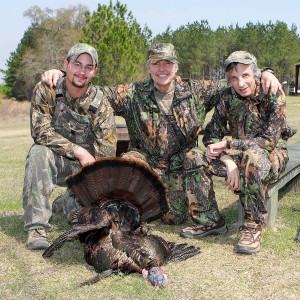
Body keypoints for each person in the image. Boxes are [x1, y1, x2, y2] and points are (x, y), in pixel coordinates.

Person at [41, 43, 281, 229]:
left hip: (178, 169)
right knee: (129, 167)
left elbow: (237, 78)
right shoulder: (132, 93)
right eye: (156, 63)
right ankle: (96, 209)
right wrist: (61, 74)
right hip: (144, 165)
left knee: (173, 218)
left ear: (176, 67)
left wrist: (267, 73)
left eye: (167, 63)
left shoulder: (196, 90)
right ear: (149, 66)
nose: (162, 68)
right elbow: (89, 88)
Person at [180, 51, 293, 254]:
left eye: (245, 75)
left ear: (256, 74)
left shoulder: (272, 92)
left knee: (253, 156)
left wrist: (229, 144)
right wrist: (227, 161)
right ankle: (210, 220)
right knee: (194, 156)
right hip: (236, 154)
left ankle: (252, 226)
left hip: (271, 155)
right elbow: (211, 136)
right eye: (234, 77)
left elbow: (267, 142)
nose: (240, 83)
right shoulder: (227, 97)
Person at [23, 43, 117, 250]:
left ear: (94, 71)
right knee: (38, 152)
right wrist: (78, 151)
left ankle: (64, 202)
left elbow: (106, 153)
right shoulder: (46, 89)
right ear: (66, 64)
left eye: (88, 67)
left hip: (85, 170)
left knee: (79, 218)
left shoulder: (101, 103)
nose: (82, 72)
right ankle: (37, 228)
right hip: (55, 161)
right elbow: (40, 132)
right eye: (77, 64)